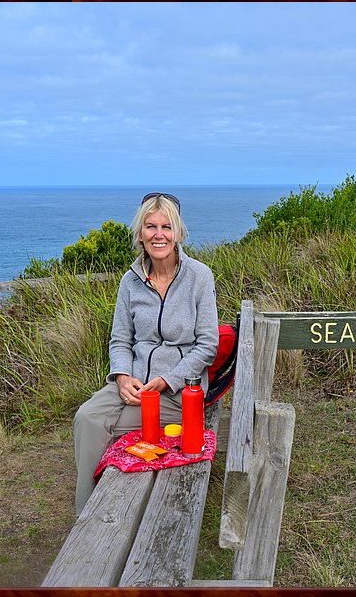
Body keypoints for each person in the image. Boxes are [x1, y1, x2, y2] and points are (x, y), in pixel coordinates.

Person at [73, 192, 219, 515]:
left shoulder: (199, 277)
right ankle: (85, 513)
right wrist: (122, 376)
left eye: (166, 227)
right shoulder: (130, 282)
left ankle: (104, 510)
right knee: (86, 418)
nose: (159, 234)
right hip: (134, 386)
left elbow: (208, 345)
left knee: (101, 426)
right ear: (140, 233)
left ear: (178, 233)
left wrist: (168, 380)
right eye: (151, 226)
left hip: (180, 394)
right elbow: (120, 340)